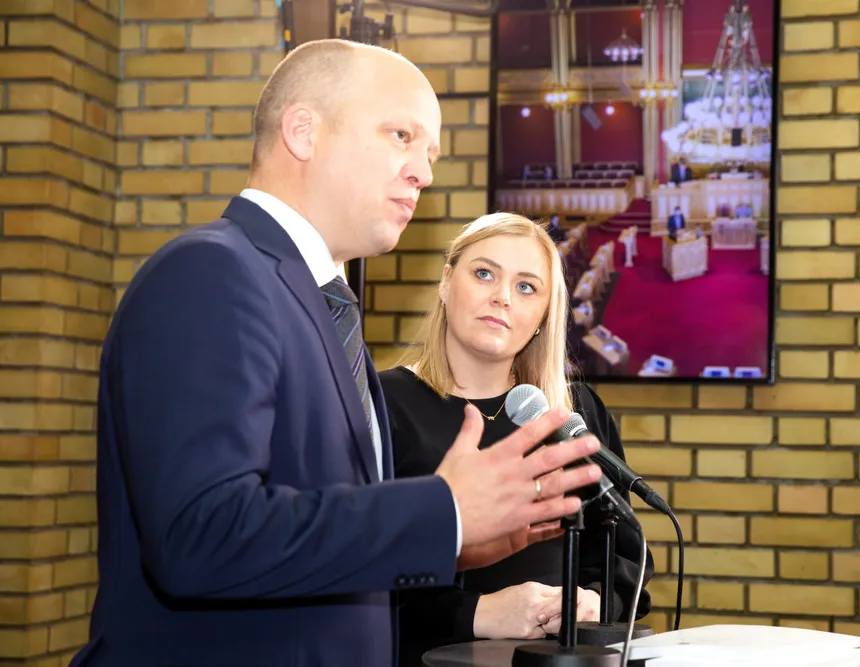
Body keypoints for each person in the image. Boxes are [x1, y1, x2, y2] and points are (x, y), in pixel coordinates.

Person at [70, 40, 605, 667]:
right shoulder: (210, 272)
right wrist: (442, 514)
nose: (424, 174)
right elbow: (201, 535)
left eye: (430, 155)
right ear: (303, 132)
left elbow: (311, 550)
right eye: (401, 136)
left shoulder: (321, 304)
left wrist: (453, 542)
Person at [379, 212, 654, 667]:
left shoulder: (574, 411)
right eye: (484, 274)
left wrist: (594, 601)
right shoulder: (378, 404)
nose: (502, 297)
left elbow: (622, 557)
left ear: (545, 315)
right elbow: (351, 569)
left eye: (526, 287)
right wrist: (478, 613)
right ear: (446, 282)